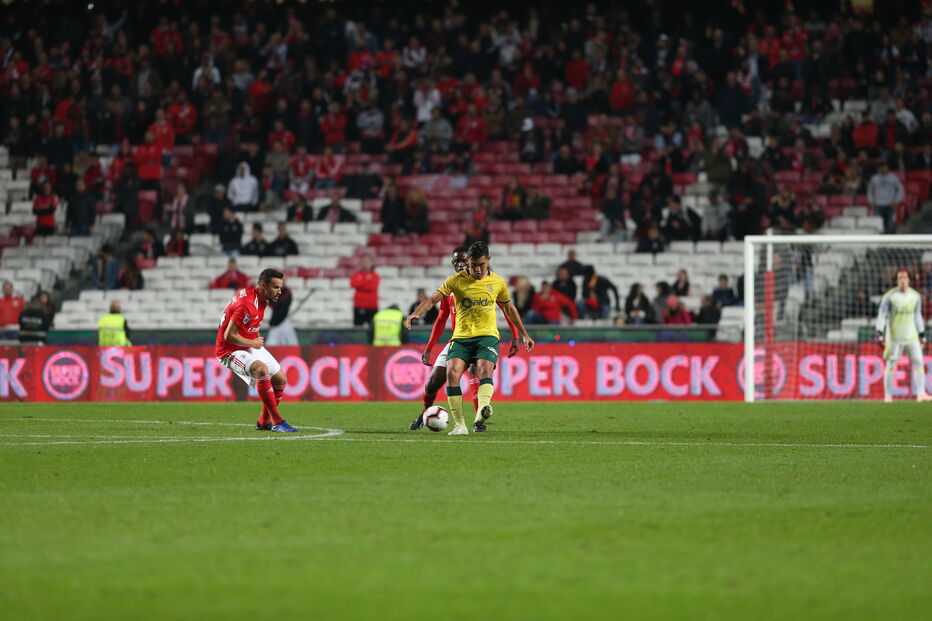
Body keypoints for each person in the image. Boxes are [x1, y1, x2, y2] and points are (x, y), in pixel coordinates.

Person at [406, 241, 534, 435]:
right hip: (459, 339)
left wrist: (520, 335)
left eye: (479, 265)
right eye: (471, 264)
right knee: (438, 380)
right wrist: (418, 314)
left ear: (488, 261)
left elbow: (508, 309)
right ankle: (436, 418)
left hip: (485, 337)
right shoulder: (454, 283)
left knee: (481, 370)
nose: (475, 269)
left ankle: (479, 419)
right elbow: (439, 314)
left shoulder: (497, 282)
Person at [216, 268, 297, 432]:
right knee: (261, 369)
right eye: (275, 287)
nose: (279, 292)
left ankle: (263, 421)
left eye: (280, 287)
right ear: (262, 286)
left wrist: (252, 340)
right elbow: (229, 335)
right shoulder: (247, 305)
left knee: (280, 380)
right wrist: (253, 343)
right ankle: (277, 421)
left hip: (247, 343)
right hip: (230, 349)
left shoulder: (262, 298)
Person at [876, 269, 931, 403]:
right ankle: (888, 396)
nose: (902, 280)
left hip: (912, 337)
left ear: (909, 280)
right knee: (891, 365)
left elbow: (917, 316)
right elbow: (882, 315)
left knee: (918, 362)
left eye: (904, 277)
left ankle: (921, 394)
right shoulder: (889, 296)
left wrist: (922, 335)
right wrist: (880, 333)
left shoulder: (915, 296)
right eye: (900, 278)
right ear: (896, 280)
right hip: (894, 338)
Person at [867, 160, 905, 234]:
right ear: (879, 169)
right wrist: (871, 202)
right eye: (881, 167)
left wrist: (896, 201)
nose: (883, 169)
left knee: (890, 225)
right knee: (878, 225)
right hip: (877, 206)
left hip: (890, 205)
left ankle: (890, 243)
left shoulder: (894, 178)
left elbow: (900, 190)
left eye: (884, 167)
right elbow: (870, 191)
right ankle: (880, 243)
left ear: (887, 168)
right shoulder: (874, 178)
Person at [266, 280, 298, 346]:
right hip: (275, 323)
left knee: (292, 343)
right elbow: (271, 303)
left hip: (284, 320)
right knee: (270, 344)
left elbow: (283, 303)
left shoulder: (287, 292)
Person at [350, 255, 379, 326]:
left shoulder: (375, 275)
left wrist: (360, 284)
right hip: (359, 306)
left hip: (372, 307)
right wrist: (366, 281)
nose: (365, 263)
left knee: (373, 328)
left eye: (367, 261)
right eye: (363, 261)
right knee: (357, 328)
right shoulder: (356, 274)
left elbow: (372, 287)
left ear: (371, 263)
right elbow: (353, 284)